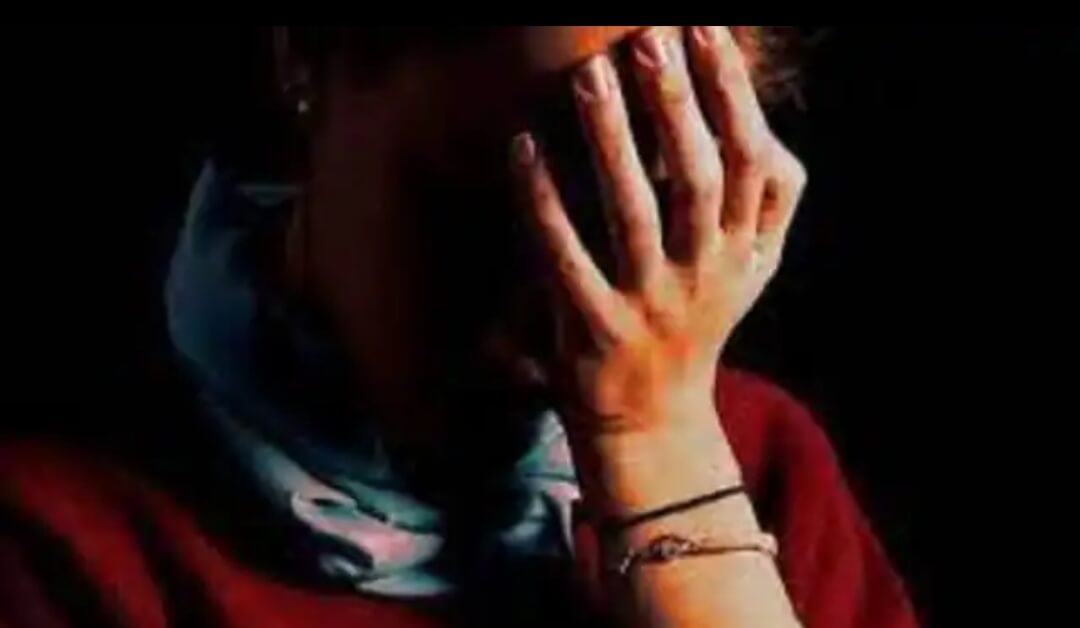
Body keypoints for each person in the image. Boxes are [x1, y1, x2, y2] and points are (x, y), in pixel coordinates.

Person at [0, 26, 918, 627]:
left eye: (662, 182)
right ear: (310, 52)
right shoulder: (61, 535)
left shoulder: (758, 464)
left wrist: (663, 461)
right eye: (523, 172)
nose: (604, 275)